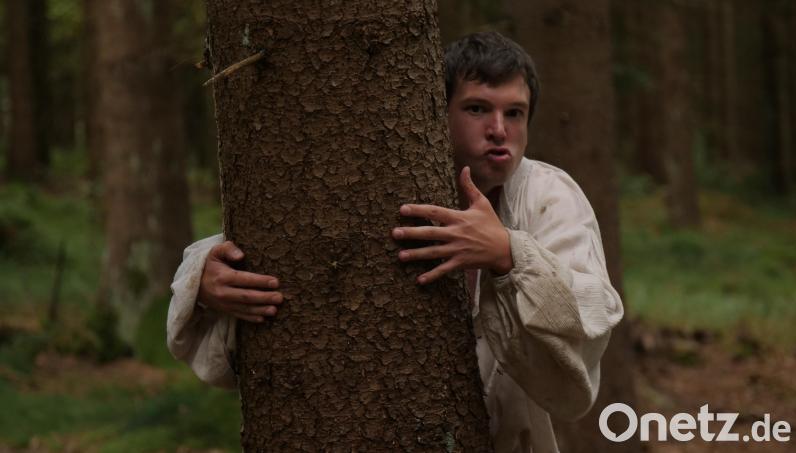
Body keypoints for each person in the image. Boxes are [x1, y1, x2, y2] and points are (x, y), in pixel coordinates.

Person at [168, 31, 623, 453]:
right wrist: (205, 279)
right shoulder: (390, 176)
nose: (499, 130)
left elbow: (595, 309)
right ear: (434, 110)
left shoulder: (549, 195)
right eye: (477, 109)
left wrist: (509, 254)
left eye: (515, 112)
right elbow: (300, 239)